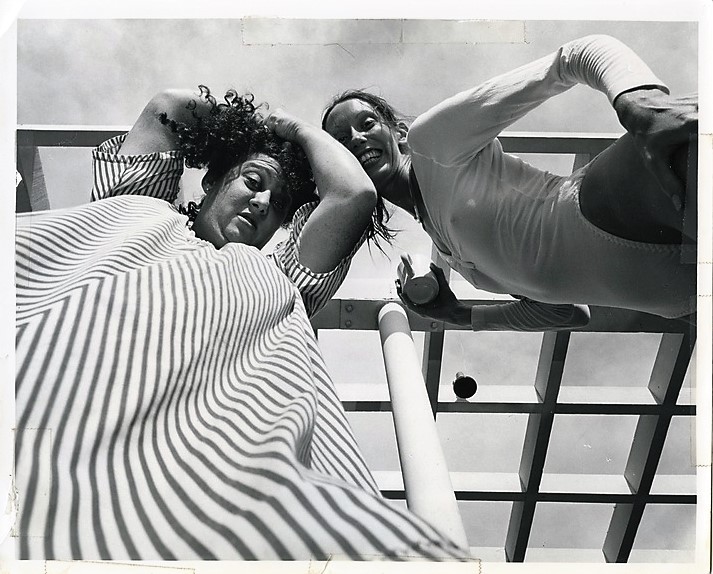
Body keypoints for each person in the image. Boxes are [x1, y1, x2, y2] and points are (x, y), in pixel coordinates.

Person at [14, 86, 472, 560]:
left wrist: (297, 131)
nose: (263, 202)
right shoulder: (140, 203)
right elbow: (170, 106)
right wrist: (260, 131)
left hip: (210, 481)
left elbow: (352, 193)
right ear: (213, 179)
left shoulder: (286, 278)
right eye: (253, 181)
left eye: (278, 204)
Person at [322, 34, 698, 331]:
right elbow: (568, 313)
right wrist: (459, 314)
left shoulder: (431, 143)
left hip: (618, 201)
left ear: (399, 133)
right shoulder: (452, 253)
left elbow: (573, 57)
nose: (355, 138)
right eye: (340, 140)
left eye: (367, 123)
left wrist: (639, 101)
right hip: (678, 300)